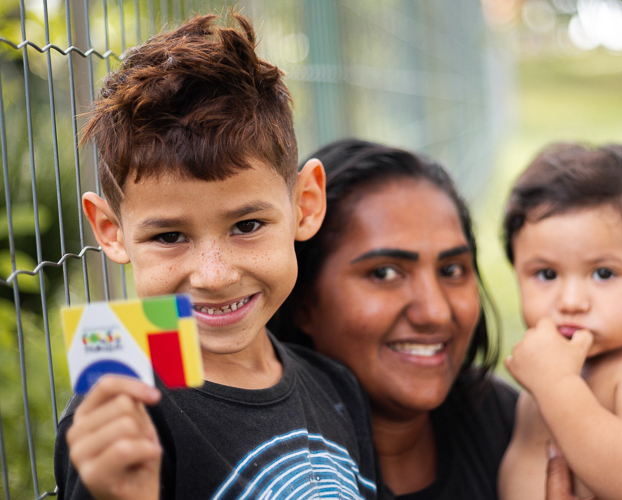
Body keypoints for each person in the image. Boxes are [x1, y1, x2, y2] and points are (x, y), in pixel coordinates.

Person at [53, 15, 379, 500]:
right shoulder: (122, 414)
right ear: (110, 231)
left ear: (305, 204)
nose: (214, 275)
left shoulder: (336, 389)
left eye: (247, 226)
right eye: (169, 236)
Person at [273, 138, 622, 500]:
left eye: (452, 269)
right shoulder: (267, 463)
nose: (435, 311)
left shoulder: (498, 414)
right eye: (385, 273)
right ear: (303, 296)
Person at [498, 143, 622, 500]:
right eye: (546, 274)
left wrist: (557, 385)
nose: (571, 302)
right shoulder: (549, 367)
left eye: (604, 273)